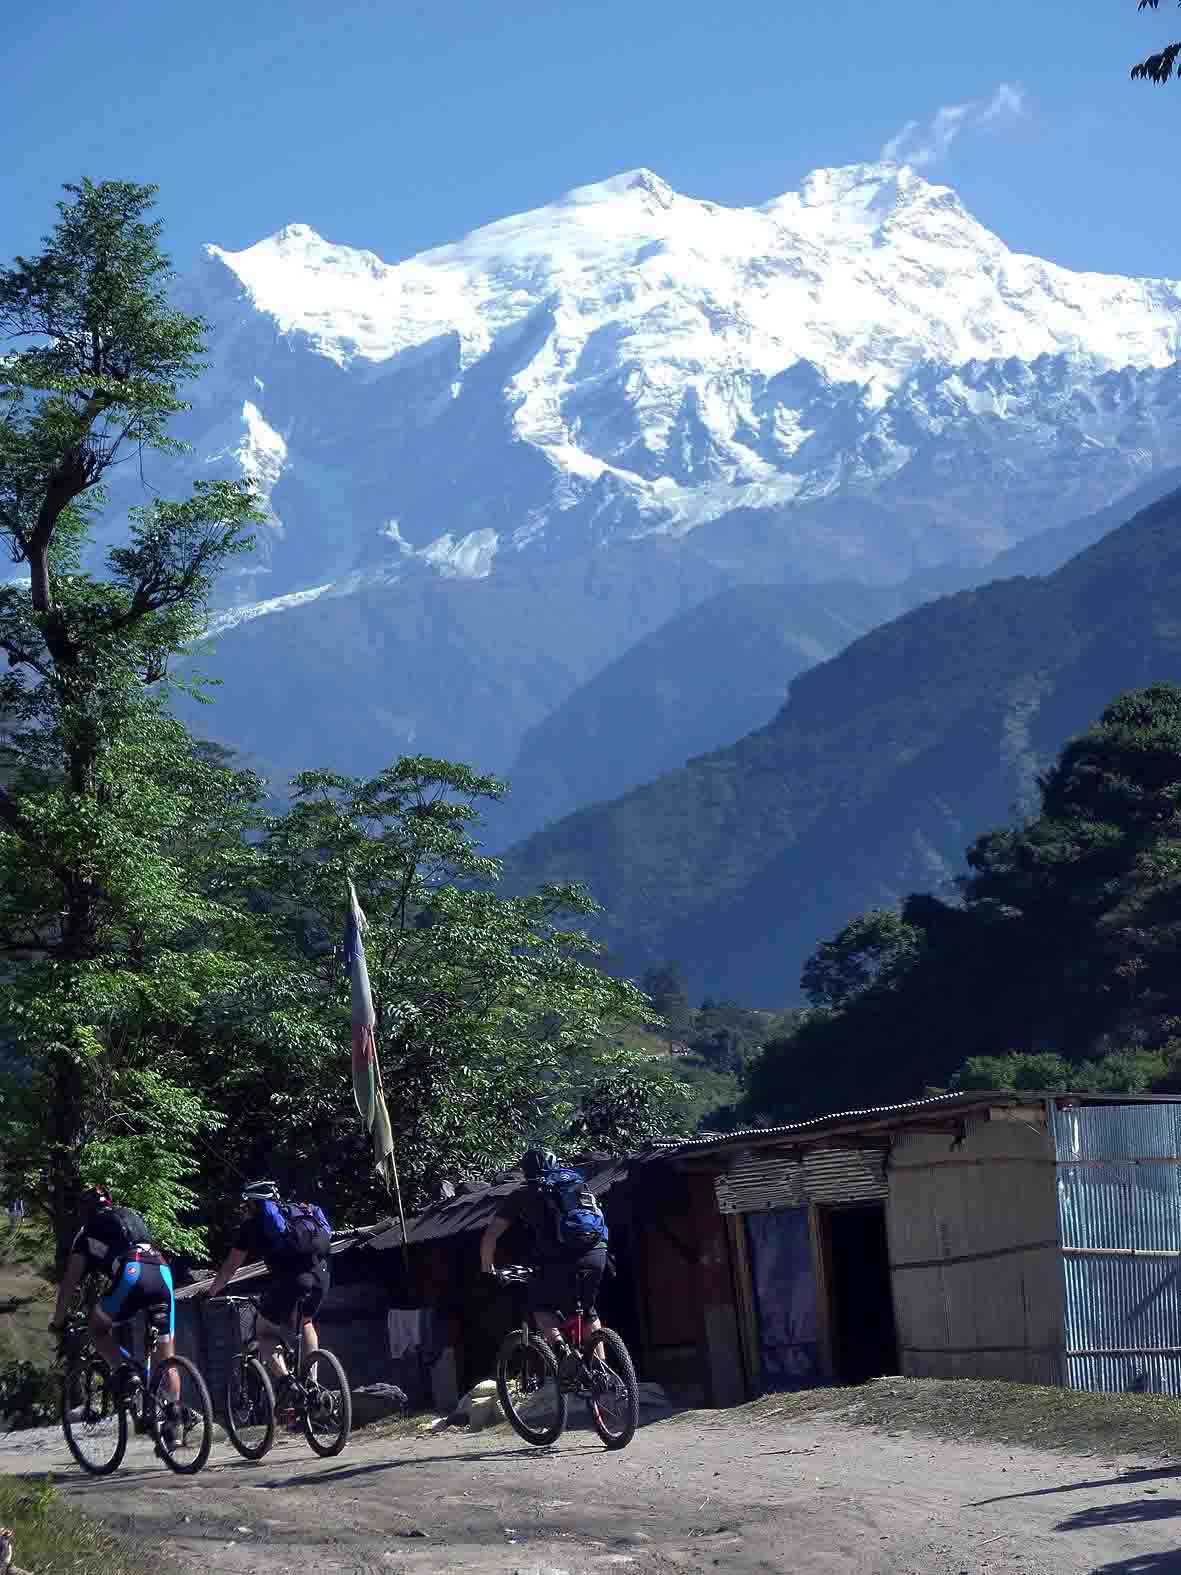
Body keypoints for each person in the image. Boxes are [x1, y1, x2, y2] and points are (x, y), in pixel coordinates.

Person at [48, 1185, 182, 1448]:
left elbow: (70, 1282)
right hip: (162, 1270)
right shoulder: (130, 1215)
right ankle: (174, 1420)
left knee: (97, 1327)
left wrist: (58, 1320)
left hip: (131, 1272)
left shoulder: (86, 1232)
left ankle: (125, 1371)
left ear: (84, 1211)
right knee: (167, 1358)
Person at [479, 1148, 608, 1383]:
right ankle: (602, 1374)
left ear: (525, 1171)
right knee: (588, 1311)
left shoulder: (523, 1194)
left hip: (559, 1259)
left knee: (541, 1306)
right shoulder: (577, 1184)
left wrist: (488, 1268)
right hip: (598, 1253)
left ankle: (561, 1350)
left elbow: (491, 1236)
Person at [203, 1181, 330, 1395]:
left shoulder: (252, 1226)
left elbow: (230, 1268)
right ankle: (313, 1386)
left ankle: (287, 1384)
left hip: (292, 1281)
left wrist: (210, 1293)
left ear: (253, 1204)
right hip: (321, 1277)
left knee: (264, 1332)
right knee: (306, 1322)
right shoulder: (299, 1212)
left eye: (245, 1206)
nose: (243, 1211)